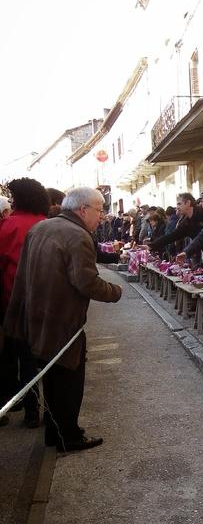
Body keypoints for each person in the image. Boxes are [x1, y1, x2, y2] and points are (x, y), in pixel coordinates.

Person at [2, 187, 122, 451]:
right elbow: (86, 282)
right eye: (99, 210)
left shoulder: (42, 227)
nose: (101, 217)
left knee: (53, 380)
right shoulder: (77, 235)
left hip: (37, 317)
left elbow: (21, 275)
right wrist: (116, 291)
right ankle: (69, 435)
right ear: (83, 210)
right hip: (62, 321)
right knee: (69, 381)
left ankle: (55, 434)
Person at [0, 178, 50, 428]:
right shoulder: (45, 225)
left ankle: (15, 402)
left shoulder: (7, 226)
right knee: (33, 359)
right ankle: (34, 410)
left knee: (11, 356)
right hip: (42, 302)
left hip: (11, 302)